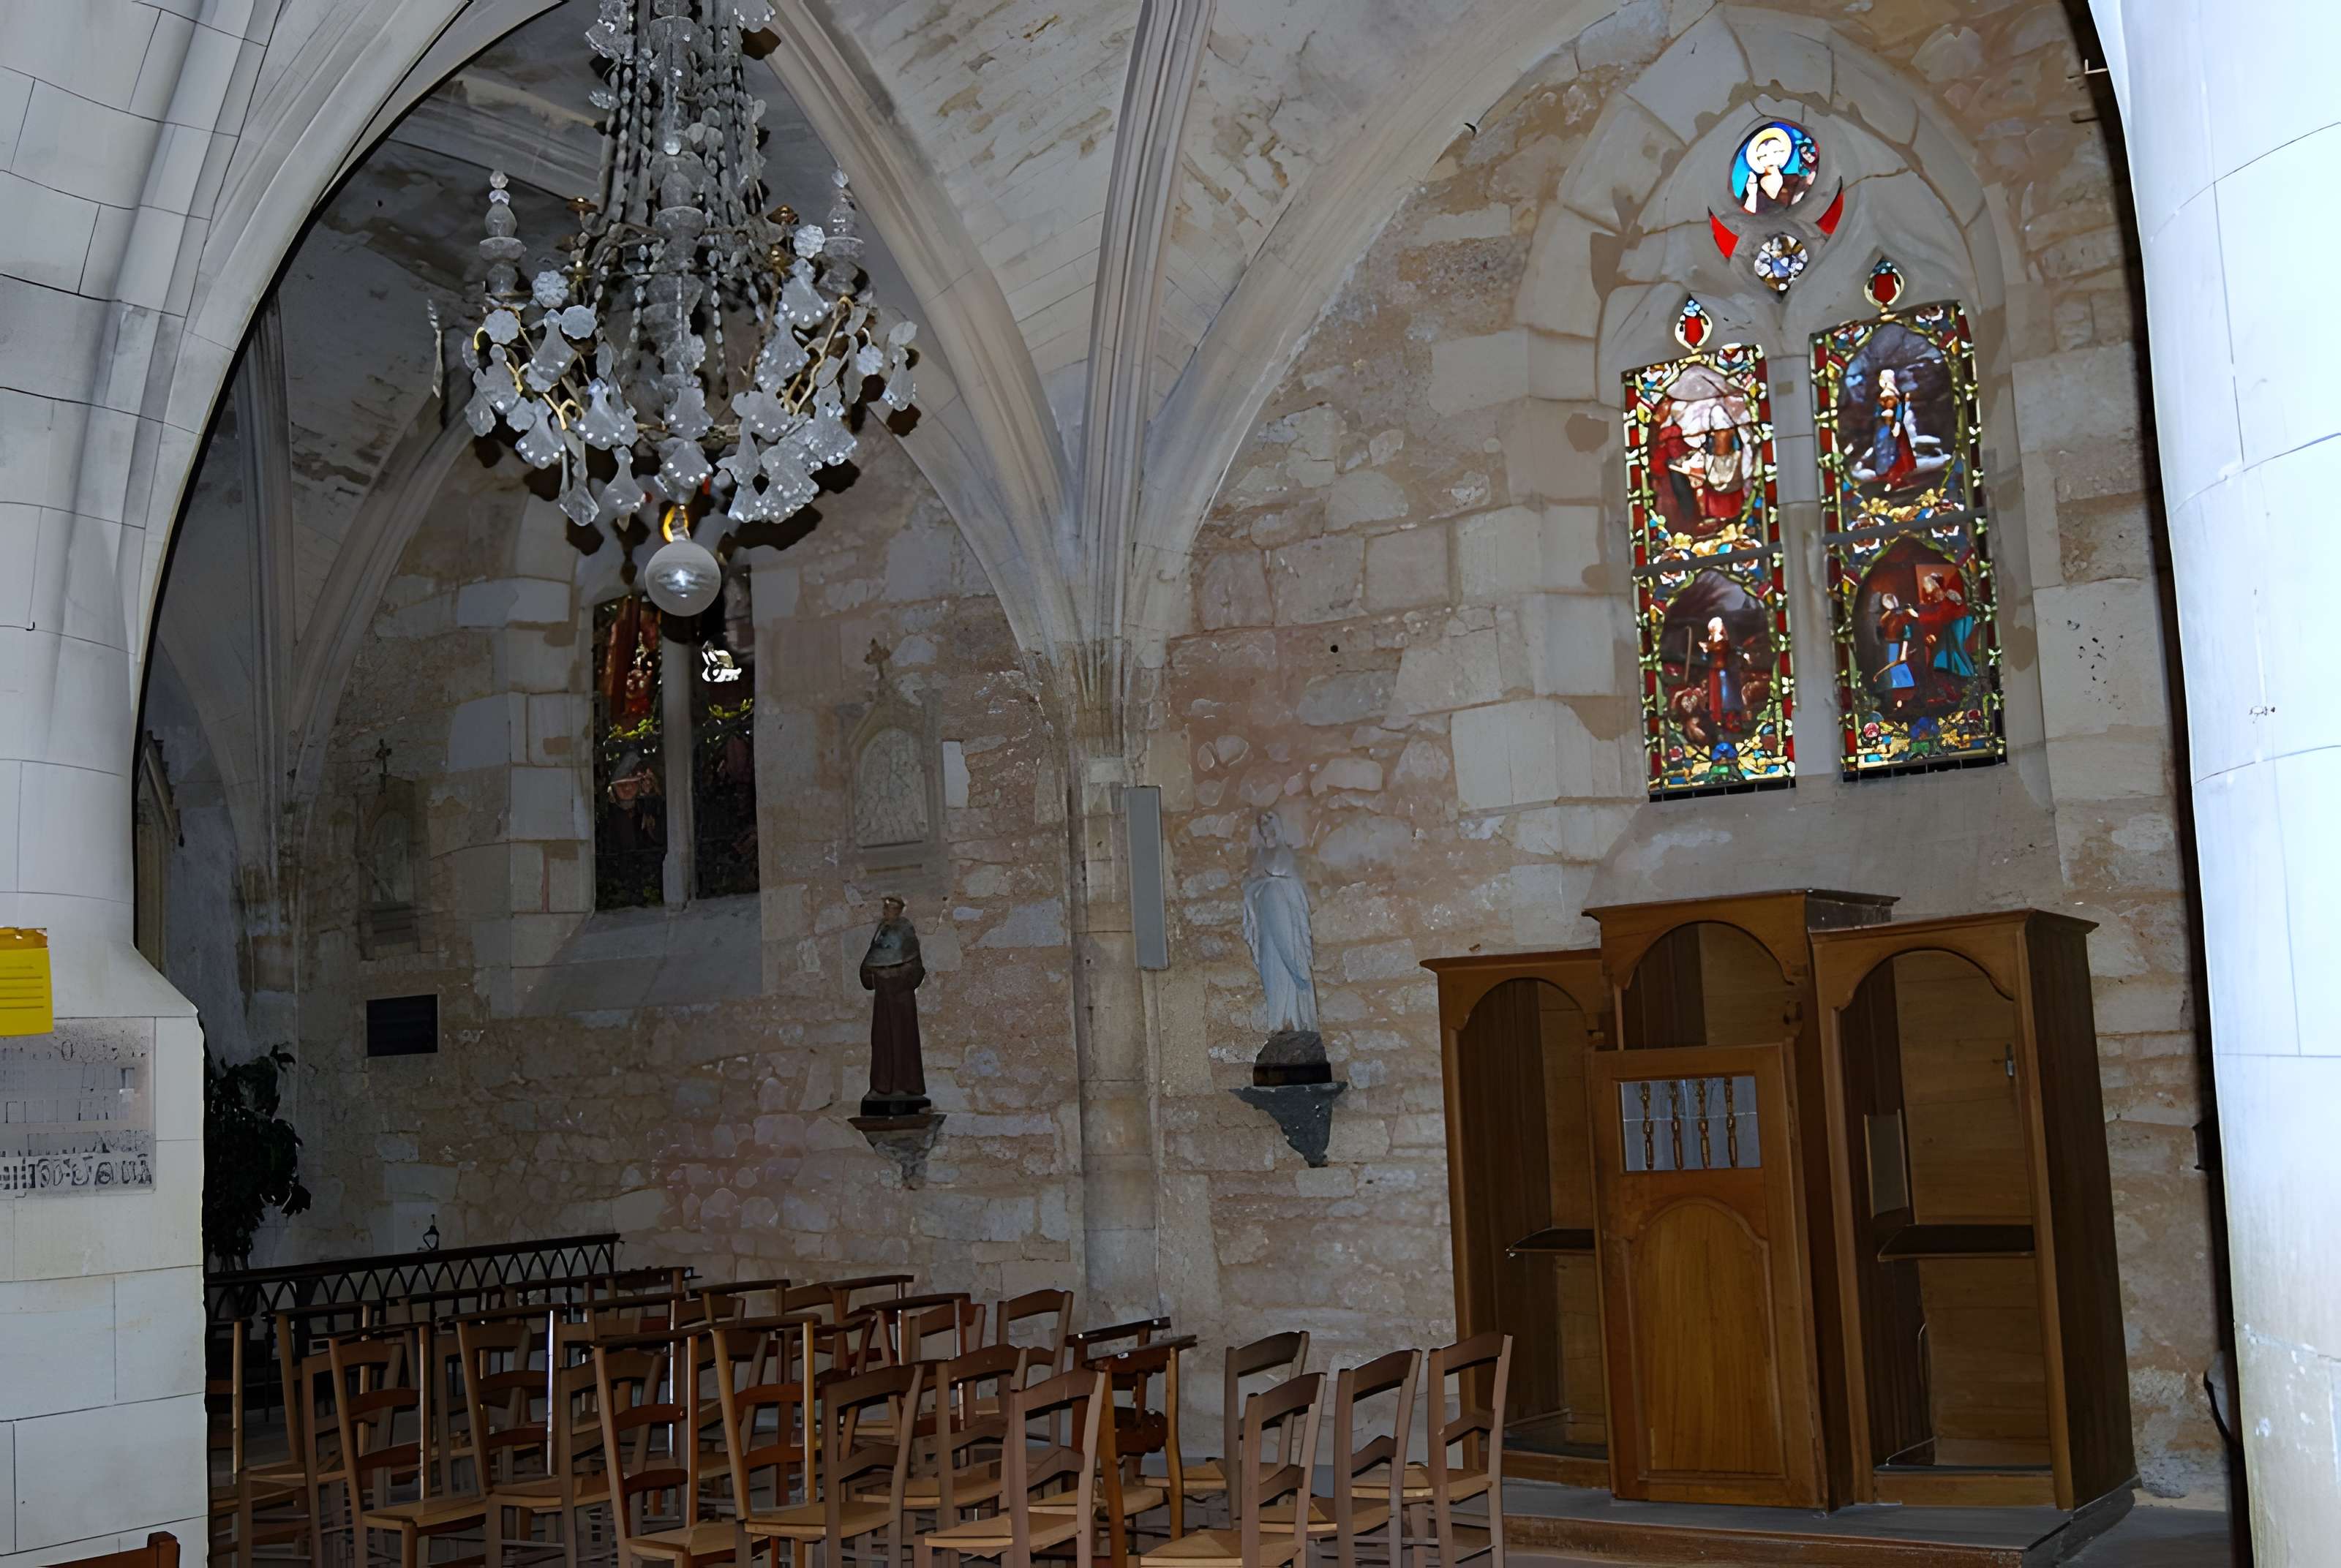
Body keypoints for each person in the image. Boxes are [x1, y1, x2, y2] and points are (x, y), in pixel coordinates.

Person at [1241, 813, 1318, 1036]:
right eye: (1261, 823)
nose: (1265, 827)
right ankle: (1278, 1019)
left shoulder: (1285, 854)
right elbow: (1252, 883)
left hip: (1282, 911)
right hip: (1266, 917)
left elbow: (1288, 880)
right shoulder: (1259, 855)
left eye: (1269, 821)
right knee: (1269, 963)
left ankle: (1295, 1017)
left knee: (1290, 955)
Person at [860, 895, 928, 1112]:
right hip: (883, 998)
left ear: (898, 910)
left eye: (888, 909)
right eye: (884, 908)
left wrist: (895, 976)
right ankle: (881, 1086)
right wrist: (872, 974)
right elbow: (871, 961)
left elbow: (916, 968)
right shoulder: (882, 931)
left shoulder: (906, 932)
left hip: (901, 999)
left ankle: (903, 1085)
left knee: (902, 1039)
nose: (885, 912)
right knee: (881, 1040)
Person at [1738, 124, 1810, 214]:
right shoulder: (1753, 186)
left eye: (1776, 151)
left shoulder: (1793, 179)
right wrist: (1752, 196)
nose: (1771, 156)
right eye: (1764, 155)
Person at [1874, 591, 1920, 715]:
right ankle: (1890, 703)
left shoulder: (1902, 619)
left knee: (1900, 674)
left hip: (1898, 647)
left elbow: (1906, 635)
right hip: (1888, 646)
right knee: (1889, 676)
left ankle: (1902, 702)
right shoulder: (1888, 617)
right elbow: (1882, 628)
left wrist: (1904, 652)